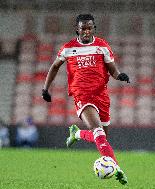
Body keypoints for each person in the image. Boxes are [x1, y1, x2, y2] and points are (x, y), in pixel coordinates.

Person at [42, 14, 129, 185]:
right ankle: (117, 169)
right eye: (83, 28)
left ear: (93, 28)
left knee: (102, 138)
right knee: (98, 132)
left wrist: (120, 76)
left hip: (101, 95)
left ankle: (77, 133)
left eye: (89, 27)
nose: (86, 31)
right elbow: (54, 67)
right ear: (77, 29)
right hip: (82, 95)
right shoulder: (68, 48)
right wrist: (45, 88)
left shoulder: (102, 45)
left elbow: (112, 70)